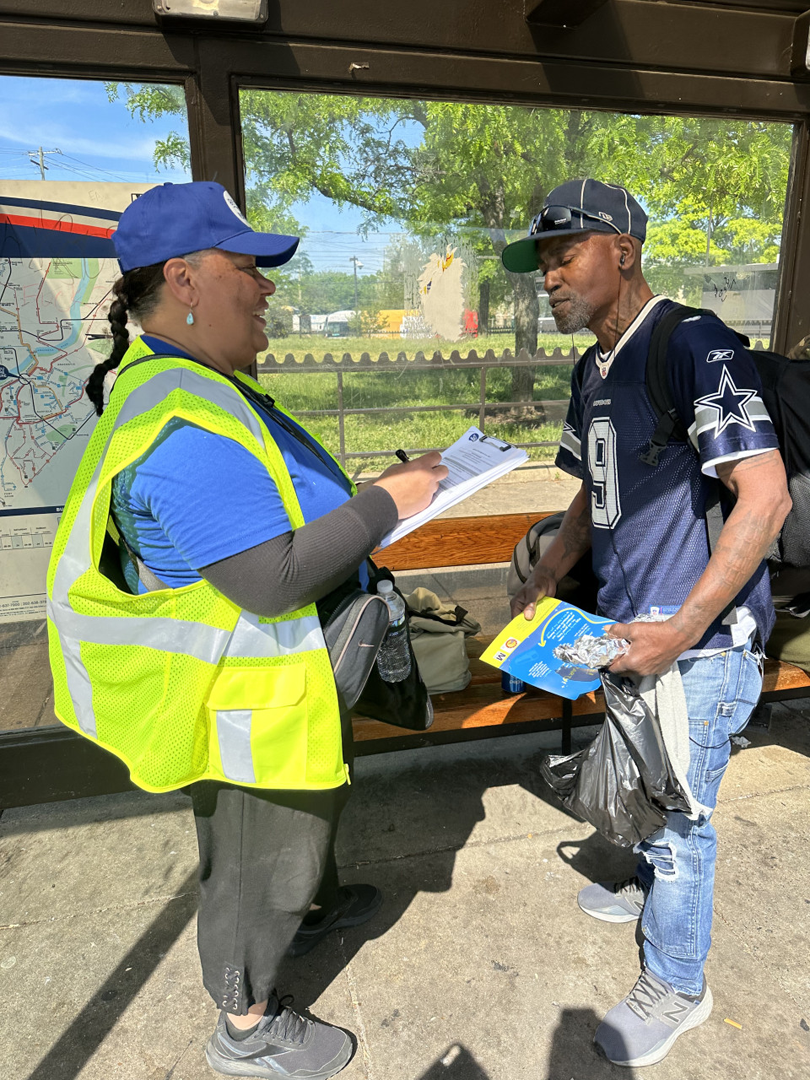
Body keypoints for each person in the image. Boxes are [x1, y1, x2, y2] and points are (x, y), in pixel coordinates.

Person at [47, 181, 448, 1080]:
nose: (268, 286)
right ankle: (246, 1024)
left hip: (280, 677)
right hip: (249, 693)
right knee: (255, 858)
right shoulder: (180, 417)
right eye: (247, 267)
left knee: (295, 834)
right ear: (184, 279)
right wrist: (391, 501)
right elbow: (271, 581)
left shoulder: (199, 384)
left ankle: (307, 911)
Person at [503, 179, 791, 1067]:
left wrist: (684, 629)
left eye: (565, 255)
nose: (549, 277)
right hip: (633, 635)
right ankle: (649, 886)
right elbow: (594, 491)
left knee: (680, 823)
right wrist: (550, 572)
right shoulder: (593, 368)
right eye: (541, 263)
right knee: (645, 786)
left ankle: (677, 983)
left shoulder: (693, 342)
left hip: (699, 647)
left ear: (623, 251)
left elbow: (765, 496)